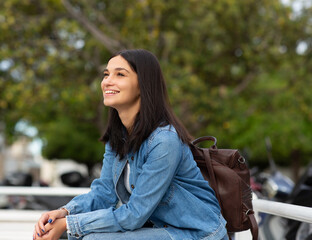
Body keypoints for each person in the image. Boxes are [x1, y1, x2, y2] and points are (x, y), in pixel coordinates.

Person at [33, 49, 228, 240]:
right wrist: (64, 213)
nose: (107, 81)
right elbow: (104, 193)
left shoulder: (164, 140)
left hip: (199, 233)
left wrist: (70, 225)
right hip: (161, 228)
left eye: (120, 74)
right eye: (106, 74)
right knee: (78, 234)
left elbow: (135, 214)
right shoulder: (117, 138)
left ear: (143, 84)